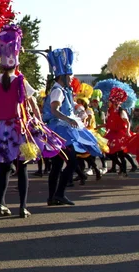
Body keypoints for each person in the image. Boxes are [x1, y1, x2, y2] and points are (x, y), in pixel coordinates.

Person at [0, 25, 60, 218]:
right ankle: (22, 207)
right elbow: (32, 104)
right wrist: (38, 122)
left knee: (3, 170)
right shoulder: (21, 81)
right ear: (16, 62)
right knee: (22, 169)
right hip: (18, 128)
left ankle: (1, 203)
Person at [42, 48, 102, 206]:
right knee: (72, 162)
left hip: (60, 132)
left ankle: (52, 197)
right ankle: (59, 194)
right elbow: (54, 110)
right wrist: (69, 119)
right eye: (70, 75)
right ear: (63, 76)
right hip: (61, 133)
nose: (71, 78)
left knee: (57, 165)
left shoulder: (61, 89)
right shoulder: (57, 91)